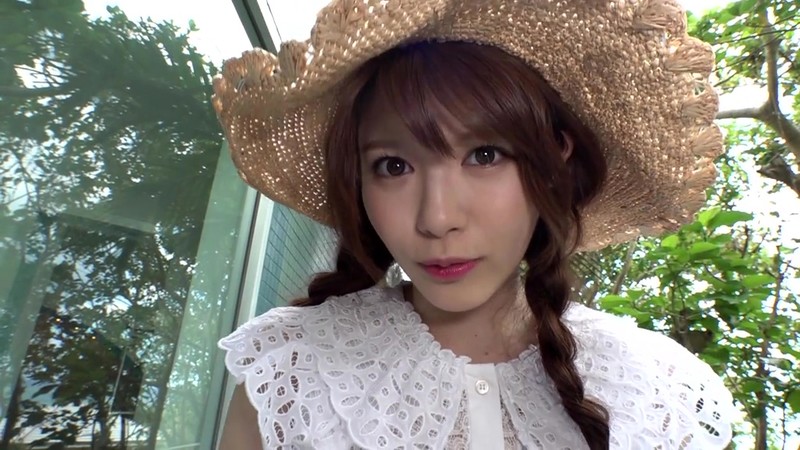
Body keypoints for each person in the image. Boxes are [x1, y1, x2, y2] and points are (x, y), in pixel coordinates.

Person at [212, 0, 735, 448]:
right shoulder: (288, 377)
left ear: (555, 160)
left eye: (484, 155)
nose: (437, 219)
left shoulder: (658, 392)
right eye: (393, 166)